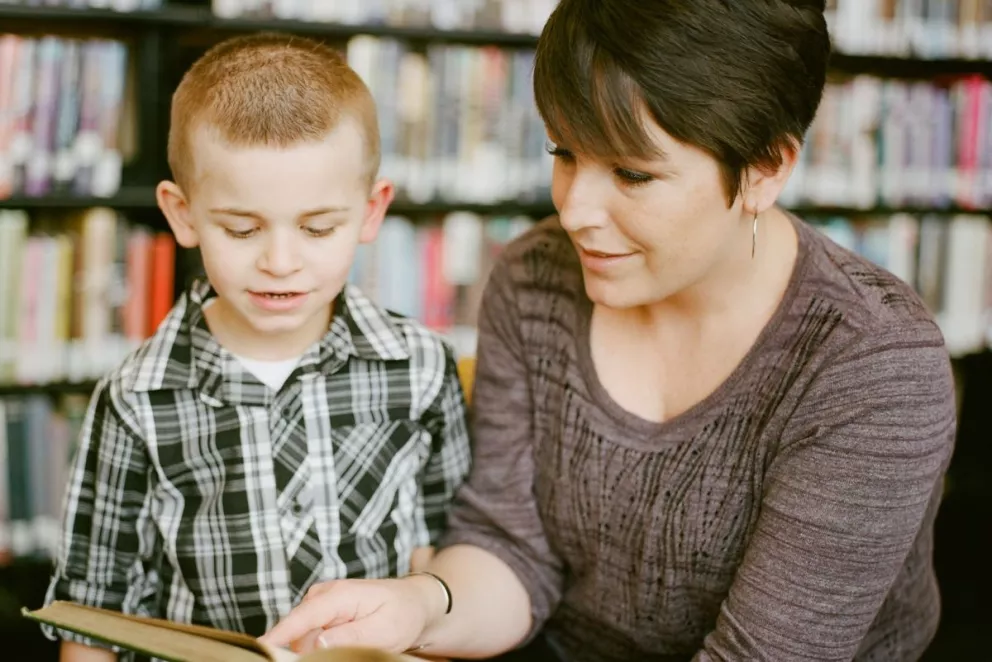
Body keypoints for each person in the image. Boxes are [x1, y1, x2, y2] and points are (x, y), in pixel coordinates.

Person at [259, 1, 959, 661]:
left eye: (631, 172)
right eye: (564, 153)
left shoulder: (871, 364)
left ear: (764, 170)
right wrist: (419, 604)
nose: (574, 210)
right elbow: (512, 549)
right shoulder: (535, 279)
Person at [40, 32, 472, 662]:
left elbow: (444, 550)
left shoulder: (422, 366)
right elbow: (93, 613)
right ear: (182, 213)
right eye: (241, 229)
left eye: (318, 227)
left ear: (372, 210)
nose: (279, 262)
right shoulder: (135, 400)